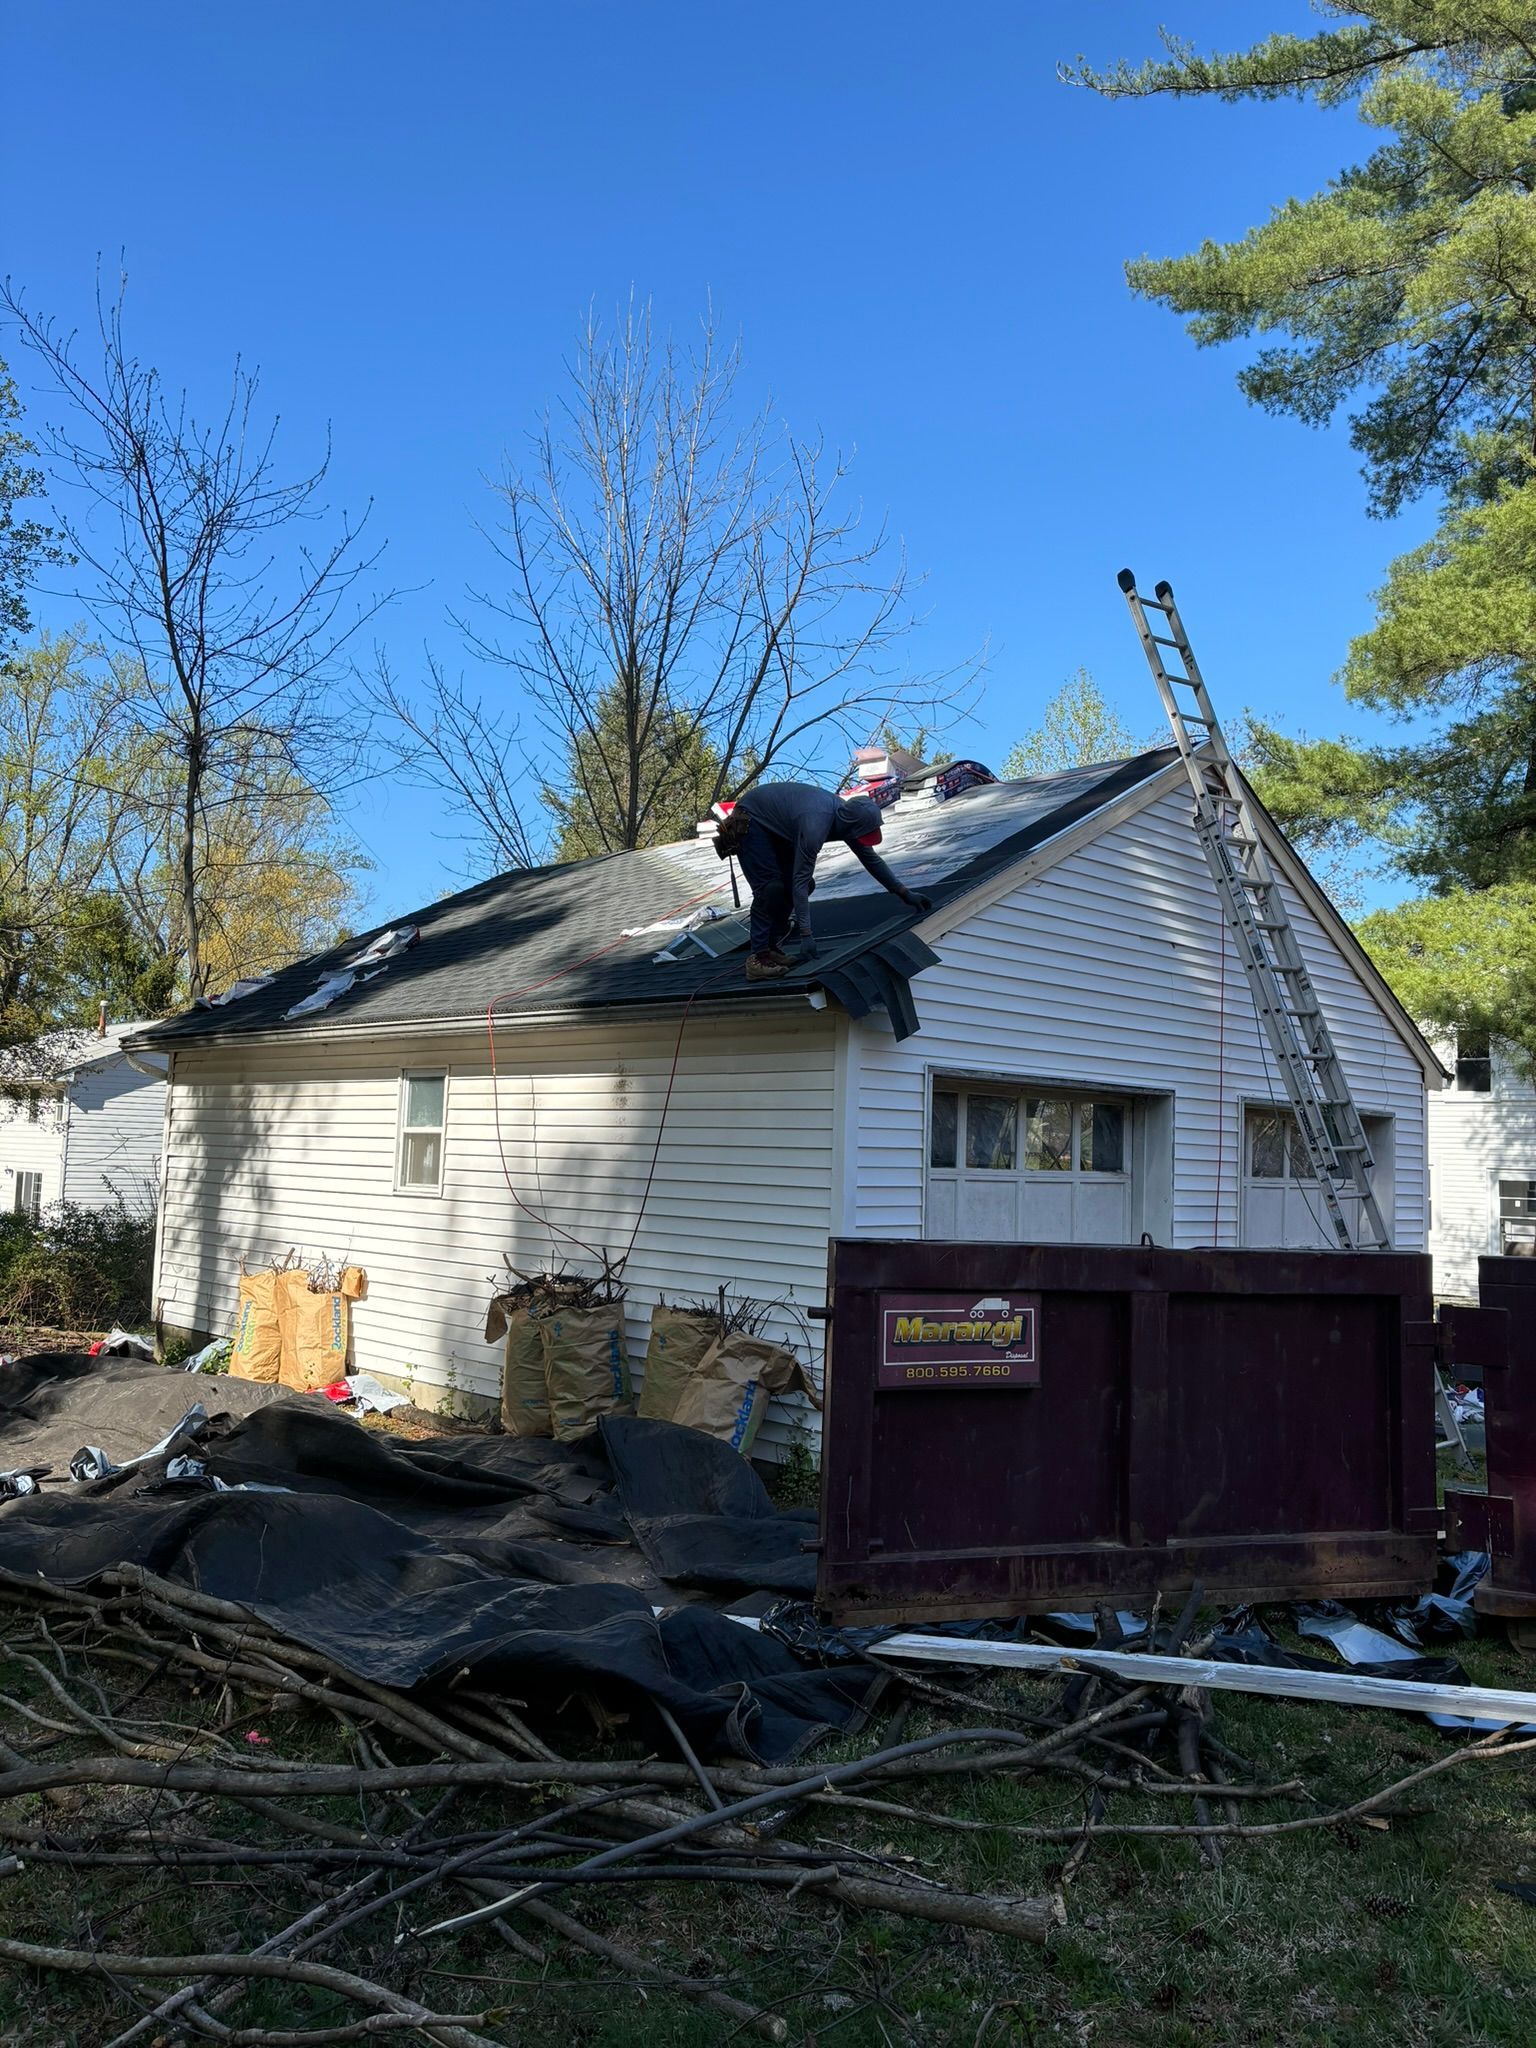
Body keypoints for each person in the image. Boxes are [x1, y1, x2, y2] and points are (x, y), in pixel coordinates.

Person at [715, 783, 933, 981]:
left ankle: (771, 947)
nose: (862, 839)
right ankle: (758, 959)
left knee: (801, 886)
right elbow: (798, 881)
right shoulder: (814, 825)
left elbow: (871, 859)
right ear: (850, 827)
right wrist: (806, 934)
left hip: (779, 825)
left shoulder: (849, 816)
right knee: (770, 889)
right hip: (753, 820)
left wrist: (904, 892)